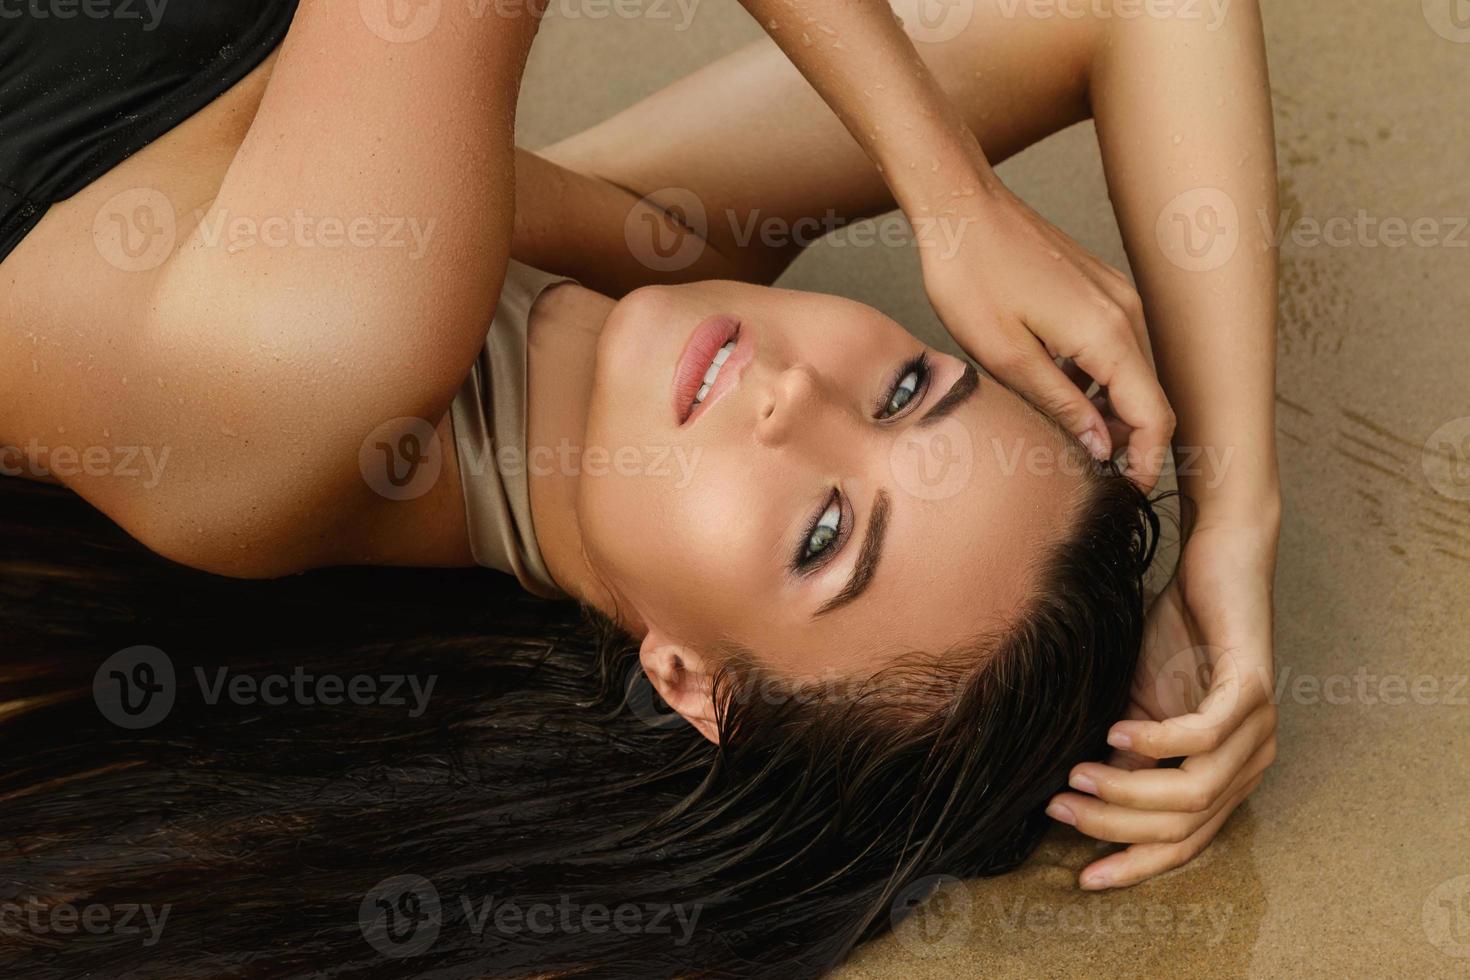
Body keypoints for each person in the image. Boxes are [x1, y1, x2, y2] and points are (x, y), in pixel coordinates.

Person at [0, 0, 1280, 972]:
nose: (795, 400)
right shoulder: (635, 256)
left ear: (687, 679)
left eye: (826, 533)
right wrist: (1232, 520)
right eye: (903, 392)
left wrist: (942, 185)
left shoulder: (323, 379)